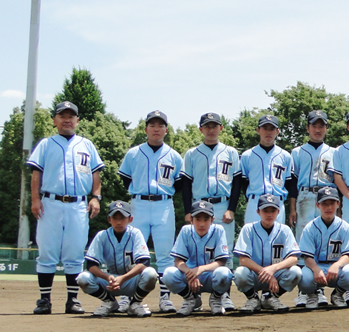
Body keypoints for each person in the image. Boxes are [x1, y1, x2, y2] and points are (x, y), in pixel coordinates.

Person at [27, 101, 104, 315]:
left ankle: (73, 300)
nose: (67, 119)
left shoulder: (87, 145)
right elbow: (36, 174)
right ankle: (44, 300)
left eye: (71, 116)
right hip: (49, 203)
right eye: (62, 115)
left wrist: (95, 197)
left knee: (75, 251)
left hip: (78, 204)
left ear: (77, 120)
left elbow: (96, 174)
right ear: (55, 120)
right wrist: (35, 199)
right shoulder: (46, 144)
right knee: (47, 252)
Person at [118, 110, 183, 314]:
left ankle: (165, 298)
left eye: (160, 125)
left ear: (165, 130)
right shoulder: (134, 153)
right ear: (146, 129)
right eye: (152, 125)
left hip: (164, 204)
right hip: (139, 204)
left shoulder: (173, 155)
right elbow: (125, 178)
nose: (156, 128)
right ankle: (125, 297)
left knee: (165, 254)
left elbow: (179, 184)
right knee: (132, 254)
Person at [180, 112, 241, 311]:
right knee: (194, 250)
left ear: (221, 128)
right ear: (201, 129)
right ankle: (192, 295)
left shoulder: (231, 152)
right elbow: (186, 184)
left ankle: (224, 296)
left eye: (215, 126)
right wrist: (188, 209)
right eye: (207, 126)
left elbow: (237, 182)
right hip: (199, 205)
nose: (211, 129)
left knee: (226, 251)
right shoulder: (191, 153)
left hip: (222, 203)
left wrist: (231, 208)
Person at [76, 201, 158, 317]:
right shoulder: (102, 236)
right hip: (110, 281)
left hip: (132, 281)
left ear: (130, 219)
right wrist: (106, 277)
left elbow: (144, 262)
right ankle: (109, 302)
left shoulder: (135, 234)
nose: (119, 222)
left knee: (151, 273)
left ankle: (135, 304)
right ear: (109, 219)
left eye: (123, 218)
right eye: (115, 218)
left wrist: (123, 278)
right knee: (83, 278)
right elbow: (90, 265)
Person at [288, 110, 336, 308]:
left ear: (326, 128)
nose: (318, 129)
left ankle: (319, 291)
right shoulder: (297, 152)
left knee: (324, 242)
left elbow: (337, 180)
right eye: (314, 125)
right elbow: (291, 182)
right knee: (303, 242)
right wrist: (292, 208)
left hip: (327, 196)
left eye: (321, 125)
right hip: (305, 196)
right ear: (308, 128)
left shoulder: (334, 152)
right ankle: (304, 291)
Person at [232, 194, 302, 314]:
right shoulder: (248, 229)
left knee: (296, 272)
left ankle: (270, 297)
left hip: (276, 274)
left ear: (278, 211)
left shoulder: (285, 230)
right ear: (258, 212)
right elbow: (243, 260)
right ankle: (252, 298)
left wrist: (273, 269)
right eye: (265, 210)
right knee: (240, 273)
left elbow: (293, 259)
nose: (269, 214)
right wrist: (266, 272)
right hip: (255, 273)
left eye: (273, 210)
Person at [162, 201, 233, 316]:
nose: (201, 224)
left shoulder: (218, 230)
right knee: (168, 273)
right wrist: (190, 273)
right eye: (198, 219)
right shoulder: (185, 231)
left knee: (224, 273)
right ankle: (190, 299)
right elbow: (178, 261)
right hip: (189, 277)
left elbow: (222, 261)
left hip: (210, 276)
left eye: (206, 219)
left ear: (212, 219)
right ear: (191, 219)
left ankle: (216, 299)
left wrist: (200, 269)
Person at [297, 187, 349, 309]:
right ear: (318, 205)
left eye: (332, 203)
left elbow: (348, 255)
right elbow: (307, 257)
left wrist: (337, 265)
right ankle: (312, 294)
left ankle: (338, 294)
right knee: (303, 276)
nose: (328, 207)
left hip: (337, 269)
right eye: (324, 204)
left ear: (338, 204)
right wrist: (315, 269)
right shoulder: (310, 228)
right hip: (317, 268)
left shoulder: (345, 227)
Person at [240, 114, 295, 225]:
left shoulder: (285, 156)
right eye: (265, 128)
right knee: (251, 239)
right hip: (255, 201)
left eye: (272, 129)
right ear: (258, 130)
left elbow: (290, 184)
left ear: (277, 131)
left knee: (276, 240)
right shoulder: (247, 155)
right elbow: (243, 182)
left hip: (277, 201)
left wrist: (292, 209)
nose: (268, 132)